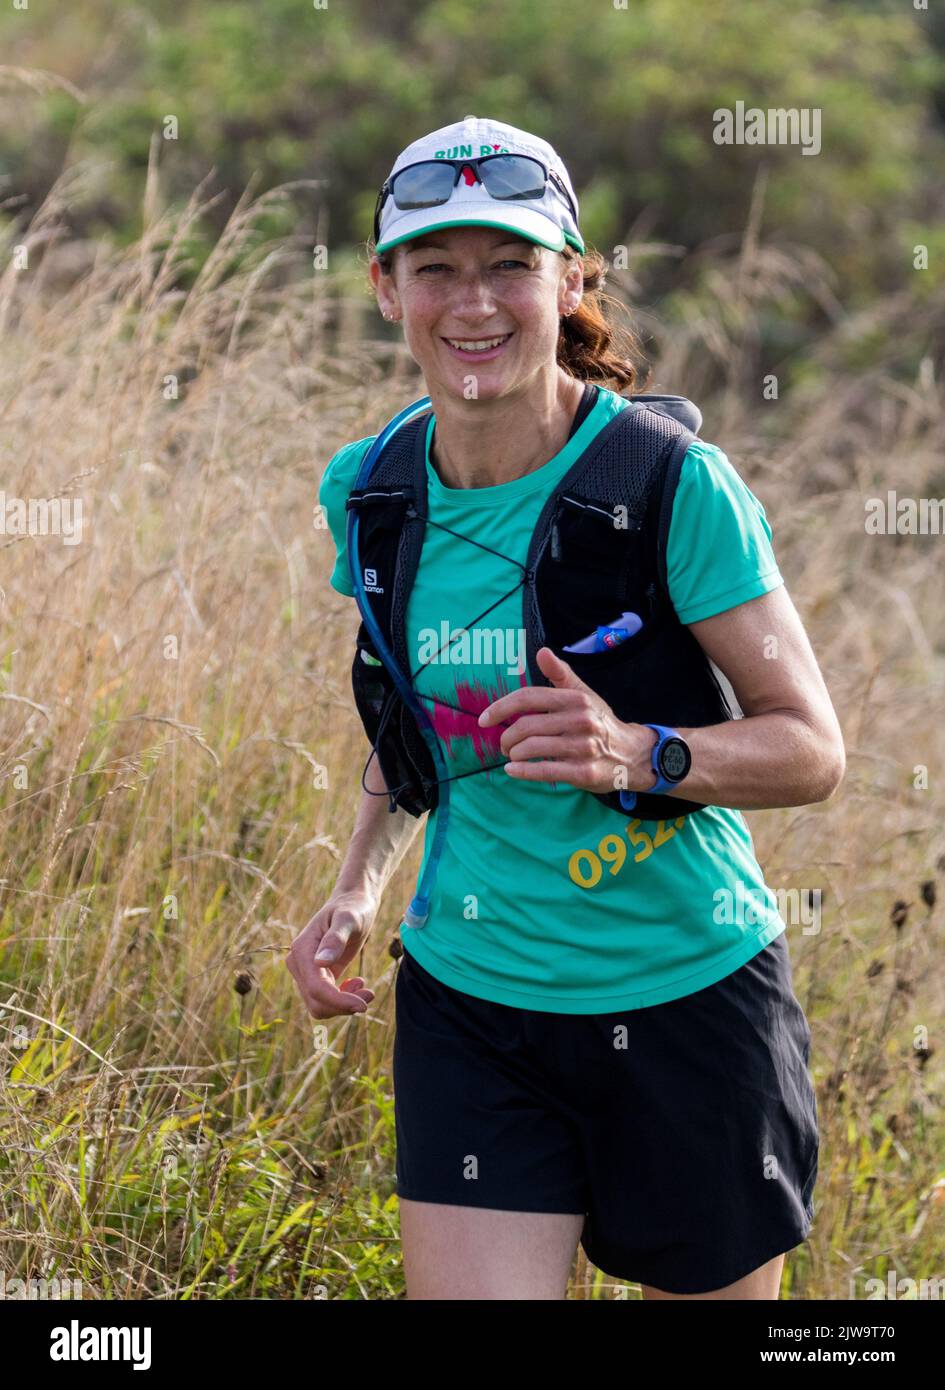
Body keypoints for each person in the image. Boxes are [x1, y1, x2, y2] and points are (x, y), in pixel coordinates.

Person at [286, 115, 845, 1301]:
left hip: (687, 996)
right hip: (475, 1005)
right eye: (435, 267)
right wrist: (355, 886)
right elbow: (412, 729)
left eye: (511, 266)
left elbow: (811, 749)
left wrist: (634, 749)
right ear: (388, 290)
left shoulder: (666, 484)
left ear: (572, 280)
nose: (473, 303)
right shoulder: (373, 492)